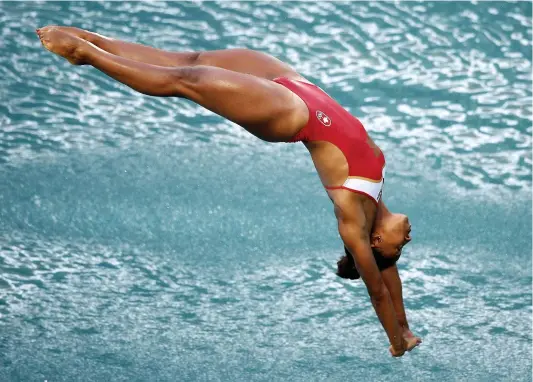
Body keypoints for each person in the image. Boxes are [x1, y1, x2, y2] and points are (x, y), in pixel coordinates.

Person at [36, 26, 421, 357]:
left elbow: (378, 290)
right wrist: (403, 328)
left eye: (398, 249)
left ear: (374, 241)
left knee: (191, 80)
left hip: (291, 114)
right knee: (192, 59)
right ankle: (94, 39)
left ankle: (85, 54)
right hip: (297, 86)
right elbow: (390, 280)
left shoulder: (354, 219)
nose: (406, 241)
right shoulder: (377, 198)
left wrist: (393, 341)